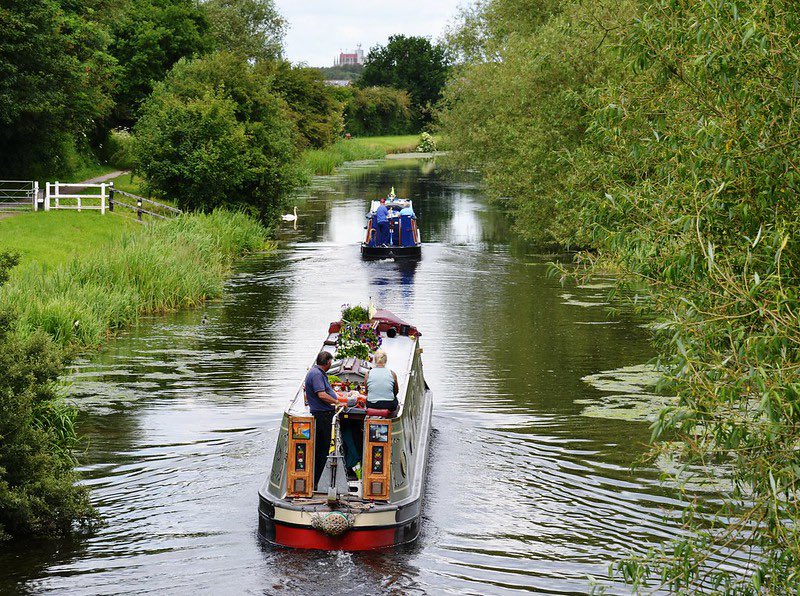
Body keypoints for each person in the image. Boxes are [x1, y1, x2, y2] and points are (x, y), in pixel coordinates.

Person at [304, 351, 338, 488]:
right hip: (322, 416)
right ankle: (316, 482)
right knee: (322, 449)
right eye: (331, 362)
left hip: (321, 414)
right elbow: (322, 395)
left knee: (321, 448)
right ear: (328, 363)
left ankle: (316, 479)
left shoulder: (314, 371)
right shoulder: (317, 375)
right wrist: (337, 402)